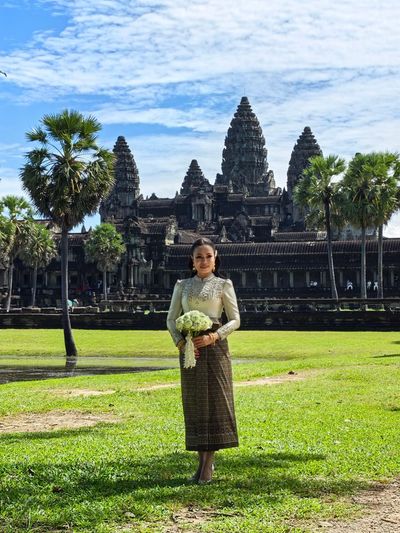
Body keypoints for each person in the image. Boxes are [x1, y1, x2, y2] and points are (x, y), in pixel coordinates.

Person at [167, 237, 240, 484]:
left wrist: (214, 336)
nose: (204, 261)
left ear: (215, 257)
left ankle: (209, 464)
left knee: (216, 402)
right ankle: (201, 462)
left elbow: (235, 319)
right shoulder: (182, 286)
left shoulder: (223, 285)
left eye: (208, 256)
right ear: (192, 260)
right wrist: (180, 342)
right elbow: (170, 319)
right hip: (190, 349)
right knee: (196, 403)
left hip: (216, 346)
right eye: (199, 257)